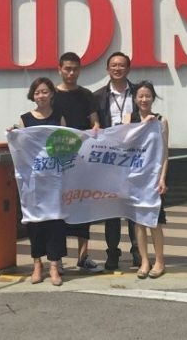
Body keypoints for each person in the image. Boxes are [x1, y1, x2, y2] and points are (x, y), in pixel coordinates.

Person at [53, 52, 104, 273]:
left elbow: (95, 123)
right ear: (59, 69)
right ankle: (57, 259)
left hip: (83, 160)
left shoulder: (86, 95)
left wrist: (96, 129)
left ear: (80, 70)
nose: (71, 72)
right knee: (59, 209)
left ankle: (83, 257)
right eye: (67, 68)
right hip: (59, 160)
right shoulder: (51, 95)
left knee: (84, 207)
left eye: (75, 69)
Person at [13, 77, 67, 286]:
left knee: (55, 221)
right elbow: (19, 147)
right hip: (33, 180)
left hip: (54, 179)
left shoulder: (59, 118)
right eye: (37, 92)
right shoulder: (24, 119)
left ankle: (54, 265)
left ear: (51, 94)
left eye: (44, 91)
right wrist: (12, 134)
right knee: (34, 221)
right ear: (32, 96)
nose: (41, 96)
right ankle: (37, 264)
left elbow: (65, 147)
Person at [93, 51, 140, 270]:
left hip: (133, 157)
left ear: (128, 69)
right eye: (113, 65)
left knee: (133, 207)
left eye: (122, 65)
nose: (117, 68)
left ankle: (137, 251)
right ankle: (112, 253)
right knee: (111, 209)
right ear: (107, 69)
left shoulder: (139, 93)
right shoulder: (98, 96)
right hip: (109, 159)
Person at [123, 81, 169, 279]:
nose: (144, 99)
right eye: (140, 96)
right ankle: (144, 260)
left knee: (154, 221)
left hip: (153, 178)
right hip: (134, 178)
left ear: (153, 98)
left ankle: (159, 261)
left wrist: (162, 179)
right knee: (138, 223)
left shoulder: (161, 121)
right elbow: (124, 143)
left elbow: (165, 153)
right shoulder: (128, 118)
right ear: (135, 99)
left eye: (147, 96)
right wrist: (143, 125)